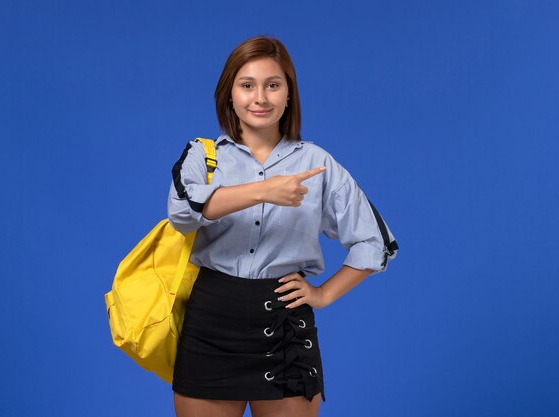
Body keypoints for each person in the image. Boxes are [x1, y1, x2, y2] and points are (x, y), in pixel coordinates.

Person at [167, 35, 398, 417]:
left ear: (289, 95)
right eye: (247, 85)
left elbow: (377, 243)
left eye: (273, 85)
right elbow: (182, 211)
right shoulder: (201, 155)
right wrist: (264, 190)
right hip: (210, 325)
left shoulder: (317, 164)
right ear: (229, 95)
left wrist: (322, 295)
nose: (260, 97)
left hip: (285, 324)